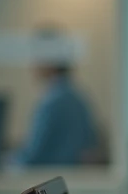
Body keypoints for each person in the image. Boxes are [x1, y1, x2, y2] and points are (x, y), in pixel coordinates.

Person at [13, 32, 99, 167]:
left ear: (49, 61)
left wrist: (7, 163)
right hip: (72, 178)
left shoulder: (52, 102)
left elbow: (32, 157)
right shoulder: (78, 97)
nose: (32, 64)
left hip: (50, 178)